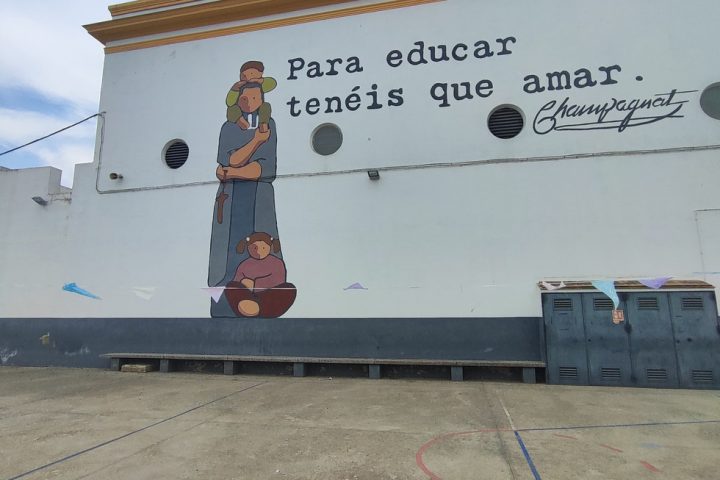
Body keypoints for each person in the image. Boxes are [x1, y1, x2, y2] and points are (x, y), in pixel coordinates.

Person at [208, 79, 285, 317]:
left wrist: (232, 172)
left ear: (262, 100)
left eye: (254, 98)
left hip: (258, 196)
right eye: (244, 99)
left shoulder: (268, 125)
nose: (249, 103)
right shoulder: (228, 128)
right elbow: (228, 159)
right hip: (230, 198)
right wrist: (256, 142)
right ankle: (225, 305)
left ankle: (261, 304)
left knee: (262, 248)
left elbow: (263, 169)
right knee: (225, 253)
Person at [224, 232, 296, 317]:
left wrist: (255, 284)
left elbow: (279, 281)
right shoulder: (244, 264)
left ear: (269, 247)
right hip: (247, 296)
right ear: (248, 248)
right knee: (230, 286)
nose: (258, 251)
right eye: (255, 248)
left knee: (289, 289)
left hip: (267, 296)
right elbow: (236, 282)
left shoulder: (277, 263)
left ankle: (261, 309)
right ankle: (246, 307)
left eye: (263, 248)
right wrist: (243, 283)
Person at [225, 61, 276, 133]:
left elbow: (273, 83)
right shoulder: (239, 87)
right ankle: (241, 122)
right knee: (232, 109)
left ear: (260, 73)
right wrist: (235, 88)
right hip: (242, 110)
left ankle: (263, 124)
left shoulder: (261, 85)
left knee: (266, 106)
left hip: (257, 109)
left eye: (251, 74)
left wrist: (260, 80)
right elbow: (230, 103)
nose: (247, 77)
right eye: (244, 75)